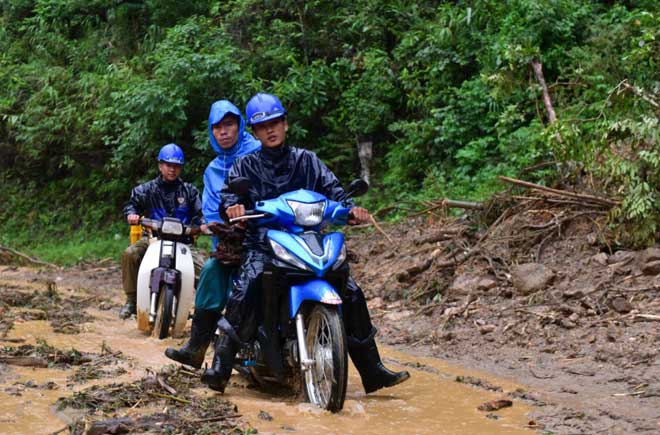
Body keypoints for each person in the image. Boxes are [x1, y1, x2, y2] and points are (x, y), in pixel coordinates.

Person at [201, 93, 410, 394]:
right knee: (247, 285)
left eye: (275, 123)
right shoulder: (246, 165)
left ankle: (372, 369)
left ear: (285, 124)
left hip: (309, 238)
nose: (270, 130)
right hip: (264, 243)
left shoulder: (307, 160)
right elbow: (230, 197)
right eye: (263, 126)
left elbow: (336, 192)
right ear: (255, 132)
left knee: (350, 290)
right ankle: (220, 366)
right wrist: (234, 206)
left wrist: (351, 210)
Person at [165, 100, 260, 367]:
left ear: (240, 125)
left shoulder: (260, 153)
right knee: (210, 271)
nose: (223, 132)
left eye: (229, 124)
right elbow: (211, 211)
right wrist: (220, 227)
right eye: (217, 127)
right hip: (232, 244)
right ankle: (197, 346)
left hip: (268, 238)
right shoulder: (212, 170)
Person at [120, 143, 206, 319]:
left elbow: (200, 214)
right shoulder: (147, 189)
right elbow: (131, 205)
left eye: (176, 166)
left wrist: (202, 225)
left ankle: (205, 311)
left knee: (206, 270)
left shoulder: (190, 191)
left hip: (184, 243)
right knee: (130, 254)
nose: (172, 170)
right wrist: (132, 214)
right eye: (168, 165)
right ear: (160, 165)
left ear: (181, 168)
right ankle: (131, 300)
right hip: (153, 238)